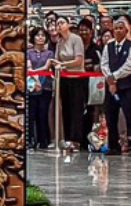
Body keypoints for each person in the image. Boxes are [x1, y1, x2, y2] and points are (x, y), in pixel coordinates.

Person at [101, 17, 131, 154]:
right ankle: (113, 146)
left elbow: (130, 65)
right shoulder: (108, 45)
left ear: (126, 30)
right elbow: (104, 63)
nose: (118, 31)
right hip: (111, 87)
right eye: (116, 28)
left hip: (126, 86)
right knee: (110, 116)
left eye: (121, 28)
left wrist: (114, 77)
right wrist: (110, 79)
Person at [54, 10, 87, 150]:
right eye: (57, 24)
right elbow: (57, 59)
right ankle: (67, 138)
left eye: (61, 23)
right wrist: (56, 64)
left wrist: (63, 65)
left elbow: (79, 60)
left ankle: (76, 139)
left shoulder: (76, 39)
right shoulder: (59, 42)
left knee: (76, 109)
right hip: (64, 78)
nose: (59, 26)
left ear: (68, 24)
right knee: (66, 109)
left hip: (77, 78)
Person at [26, 26, 55, 150]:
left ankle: (44, 140)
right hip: (32, 86)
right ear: (33, 38)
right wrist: (35, 79)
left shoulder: (49, 53)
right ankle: (30, 140)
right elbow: (28, 67)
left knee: (43, 113)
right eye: (38, 35)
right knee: (31, 113)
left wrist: (34, 73)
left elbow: (46, 67)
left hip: (46, 86)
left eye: (43, 35)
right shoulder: (28, 53)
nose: (40, 38)